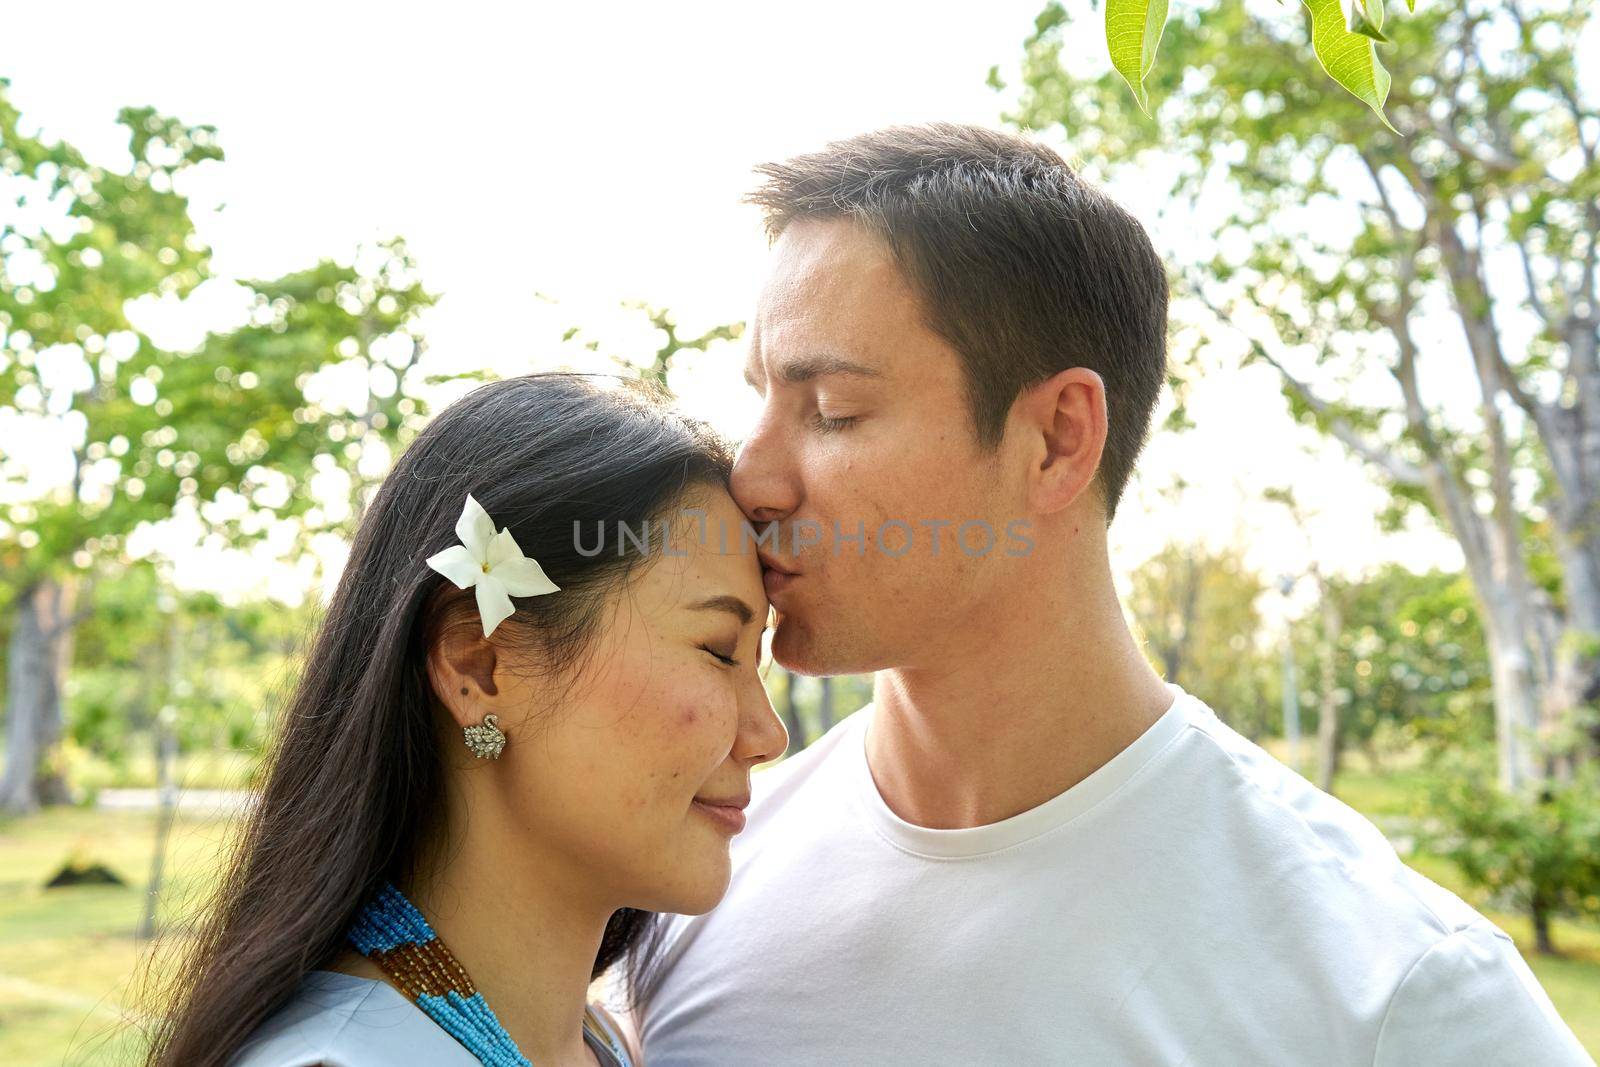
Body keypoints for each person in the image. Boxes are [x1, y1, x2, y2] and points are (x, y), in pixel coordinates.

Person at [613, 124, 1593, 1065]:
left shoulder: (1393, 988)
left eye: (831, 410)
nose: (752, 476)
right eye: (758, 400)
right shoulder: (690, 885)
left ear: (1057, 438)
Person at [145, 373, 786, 1067]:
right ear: (478, 667)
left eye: (761, 661)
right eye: (720, 651)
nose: (768, 735)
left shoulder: (605, 1043)